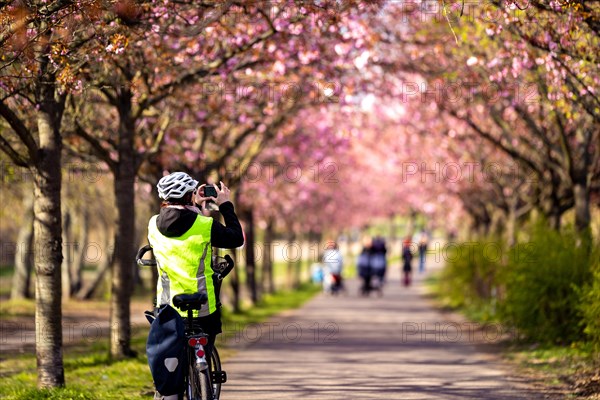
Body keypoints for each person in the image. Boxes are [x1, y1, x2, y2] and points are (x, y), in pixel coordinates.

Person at [147, 172, 243, 398]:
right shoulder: (205, 224)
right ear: (189, 195)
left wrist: (193, 204)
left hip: (168, 309)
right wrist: (226, 205)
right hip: (204, 308)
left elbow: (177, 226)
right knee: (204, 351)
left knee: (172, 359)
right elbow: (236, 238)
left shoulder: (152, 225)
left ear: (164, 199)